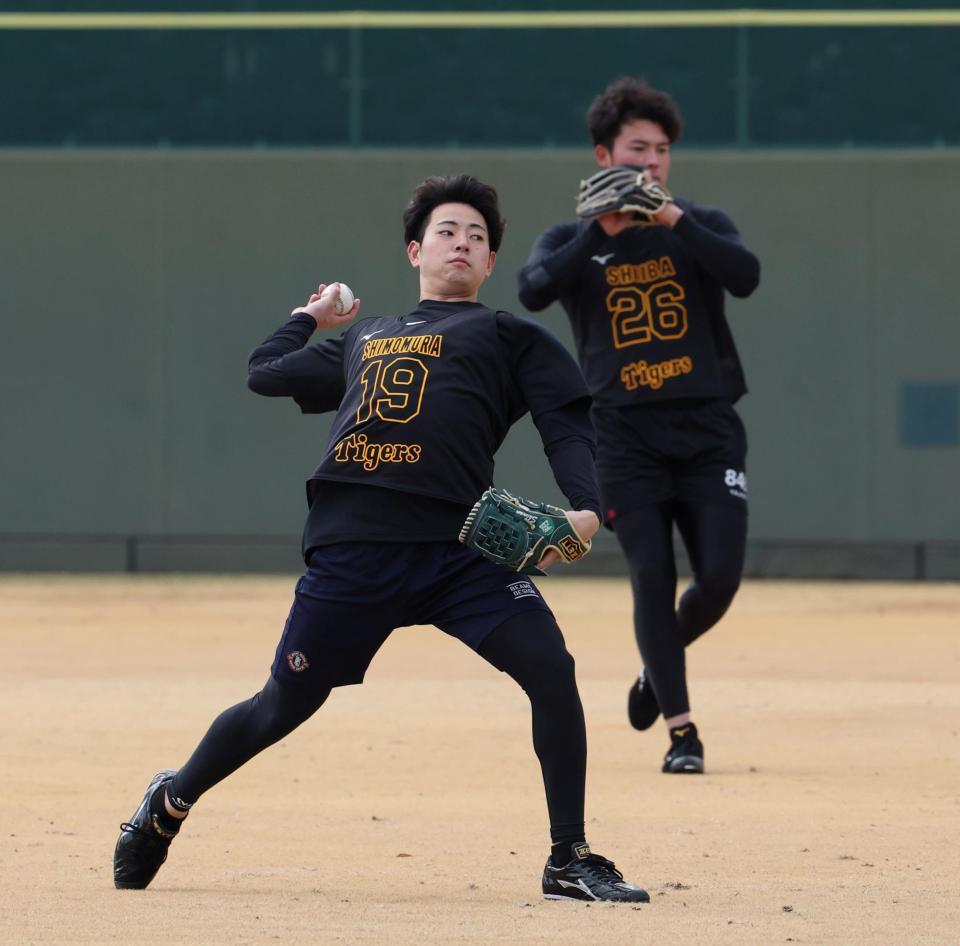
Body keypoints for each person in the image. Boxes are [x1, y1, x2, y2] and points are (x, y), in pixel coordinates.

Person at [113, 174, 650, 903]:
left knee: (551, 670)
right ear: (414, 249)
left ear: (491, 263)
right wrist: (310, 316)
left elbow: (567, 425)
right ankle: (169, 801)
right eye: (446, 231)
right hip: (355, 548)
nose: (462, 242)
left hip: (462, 550)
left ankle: (568, 858)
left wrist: (586, 508)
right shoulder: (367, 335)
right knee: (283, 705)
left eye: (477, 237)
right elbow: (263, 374)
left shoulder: (509, 335)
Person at [517, 78, 761, 775]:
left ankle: (657, 670)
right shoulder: (575, 236)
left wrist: (674, 218)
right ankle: (683, 733)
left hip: (708, 427)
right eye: (636, 150)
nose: (651, 163)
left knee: (718, 578)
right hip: (624, 435)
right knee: (651, 572)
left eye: (661, 151)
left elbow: (744, 275)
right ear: (604, 155)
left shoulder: (697, 221)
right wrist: (603, 227)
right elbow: (533, 287)